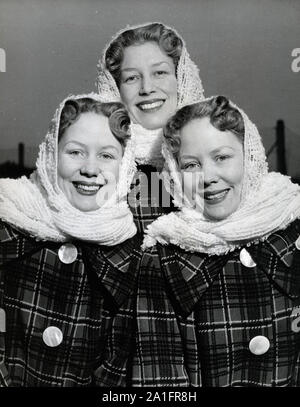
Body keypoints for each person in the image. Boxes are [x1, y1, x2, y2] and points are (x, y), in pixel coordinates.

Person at [136, 96, 300, 386]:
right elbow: (160, 380)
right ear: (174, 172)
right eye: (190, 165)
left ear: (249, 157)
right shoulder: (163, 258)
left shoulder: (292, 227)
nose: (208, 177)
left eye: (222, 157)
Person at [0, 93, 140, 386]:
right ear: (52, 153)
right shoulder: (10, 219)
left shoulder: (130, 251)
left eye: (106, 155)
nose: (90, 169)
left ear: (125, 166)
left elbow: (118, 362)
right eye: (75, 152)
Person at [96, 22, 205, 232]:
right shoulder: (97, 164)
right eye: (132, 78)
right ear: (115, 89)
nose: (147, 88)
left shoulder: (220, 149)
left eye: (159, 73)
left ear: (181, 78)